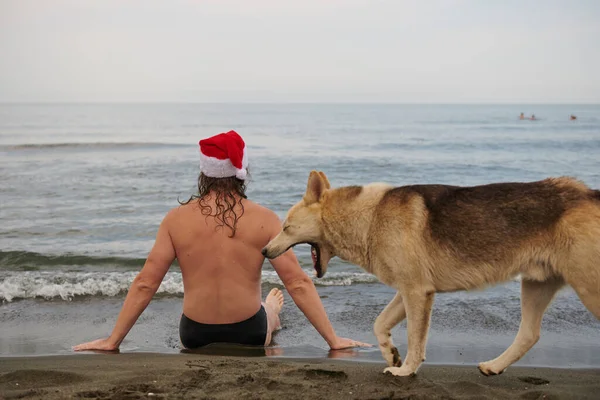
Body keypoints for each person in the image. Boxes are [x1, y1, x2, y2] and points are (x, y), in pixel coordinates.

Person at [73, 130, 369, 352]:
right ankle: (272, 311)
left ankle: (267, 308)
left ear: (205, 172)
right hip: (249, 333)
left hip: (193, 335)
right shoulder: (264, 218)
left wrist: (113, 341)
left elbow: (145, 283)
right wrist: (333, 340)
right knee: (270, 313)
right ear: (242, 172)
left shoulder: (175, 219)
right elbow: (298, 283)